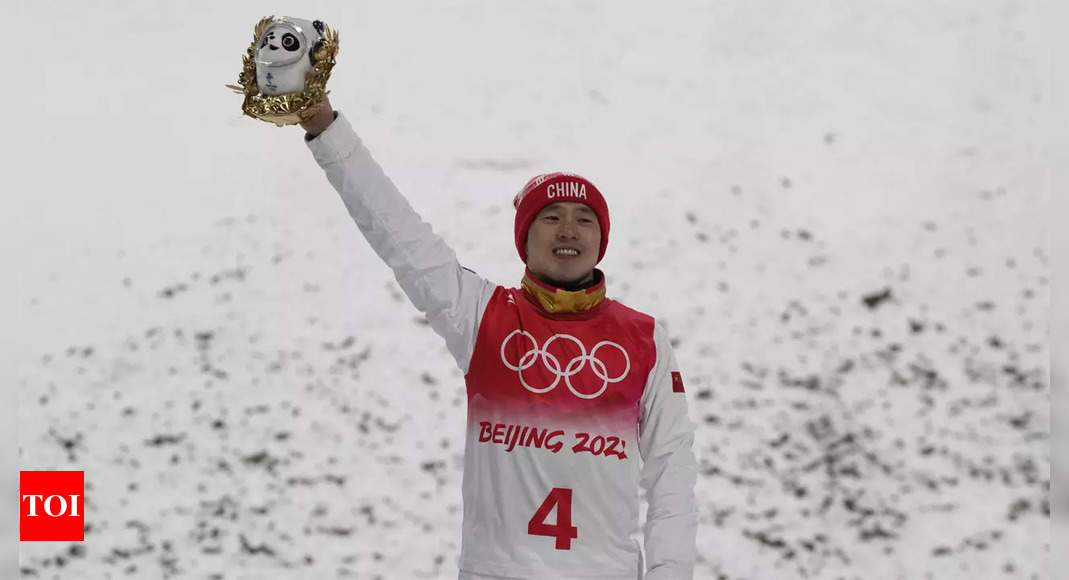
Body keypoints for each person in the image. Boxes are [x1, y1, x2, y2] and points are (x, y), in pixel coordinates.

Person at [297, 98, 697, 579]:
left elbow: (671, 467)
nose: (568, 228)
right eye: (550, 216)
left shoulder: (644, 338)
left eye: (584, 218)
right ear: (524, 239)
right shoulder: (483, 316)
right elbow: (397, 233)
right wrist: (324, 126)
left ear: (600, 240)